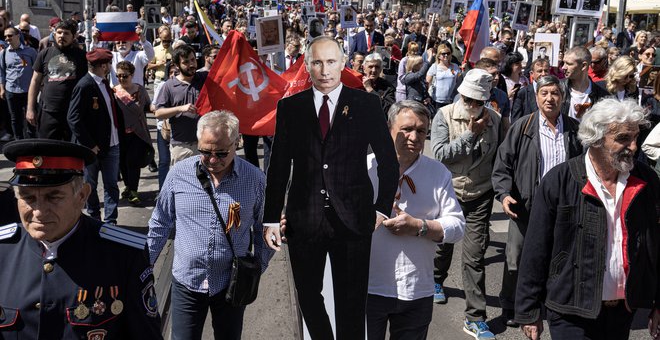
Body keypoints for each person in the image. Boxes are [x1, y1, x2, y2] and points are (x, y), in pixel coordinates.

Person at [263, 36, 399, 340]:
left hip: (353, 218)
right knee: (308, 296)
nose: (325, 70)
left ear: (343, 64)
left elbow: (389, 163)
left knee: (351, 303)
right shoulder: (290, 108)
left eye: (331, 62)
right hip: (304, 218)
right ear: (308, 66)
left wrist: (381, 207)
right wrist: (271, 217)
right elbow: (279, 166)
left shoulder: (366, 104)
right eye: (318, 62)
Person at [515, 98, 660, 340]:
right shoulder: (560, 181)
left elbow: (656, 245)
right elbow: (535, 248)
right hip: (570, 310)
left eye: (636, 137)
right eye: (623, 138)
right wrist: (528, 309)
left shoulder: (646, 181)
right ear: (596, 138)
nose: (634, 147)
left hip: (623, 311)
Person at [0, 139, 163, 339]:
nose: (39, 212)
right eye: (28, 198)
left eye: (54, 197)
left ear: (82, 195)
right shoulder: (3, 250)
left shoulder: (124, 254)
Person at [148, 110, 272, 340]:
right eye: (205, 152)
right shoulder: (178, 175)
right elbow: (160, 223)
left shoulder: (255, 179)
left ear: (238, 143)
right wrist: (144, 267)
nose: (213, 160)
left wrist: (257, 268)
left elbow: (265, 228)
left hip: (231, 285)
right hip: (187, 282)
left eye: (221, 153)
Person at [366, 100, 466, 340]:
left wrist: (420, 227)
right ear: (388, 129)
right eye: (407, 129)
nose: (414, 136)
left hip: (416, 288)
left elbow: (457, 226)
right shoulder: (363, 168)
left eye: (421, 131)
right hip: (367, 287)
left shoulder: (437, 172)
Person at [491, 75, 583, 329]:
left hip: (564, 207)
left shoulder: (575, 130)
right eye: (544, 93)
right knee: (517, 258)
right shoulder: (523, 127)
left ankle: (550, 304)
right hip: (526, 206)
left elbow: (585, 166)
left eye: (555, 93)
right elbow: (502, 166)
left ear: (563, 97)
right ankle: (511, 305)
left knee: (558, 256)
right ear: (536, 96)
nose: (550, 98)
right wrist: (504, 193)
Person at [431, 69, 503, 339]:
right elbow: (440, 154)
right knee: (443, 245)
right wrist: (470, 135)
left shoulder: (495, 120)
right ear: (460, 94)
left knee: (474, 257)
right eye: (468, 99)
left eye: (478, 101)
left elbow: (501, 158)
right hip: (448, 193)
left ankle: (475, 317)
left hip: (480, 195)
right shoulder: (445, 115)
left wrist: (501, 190)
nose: (472, 106)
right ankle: (437, 280)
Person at [68, 48, 123, 224]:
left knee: (111, 185)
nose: (109, 67)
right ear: (103, 65)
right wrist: (90, 144)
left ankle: (110, 221)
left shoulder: (104, 83)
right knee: (89, 186)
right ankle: (93, 218)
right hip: (91, 149)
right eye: (107, 64)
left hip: (111, 144)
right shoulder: (85, 85)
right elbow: (73, 118)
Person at [27, 19, 87, 140]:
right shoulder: (44, 53)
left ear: (74, 36)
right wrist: (30, 109)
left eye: (66, 33)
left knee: (71, 152)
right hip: (48, 111)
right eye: (59, 32)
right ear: (54, 34)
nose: (62, 36)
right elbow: (35, 81)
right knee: (47, 150)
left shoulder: (81, 56)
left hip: (73, 113)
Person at [154, 45, 208, 165]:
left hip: (205, 145)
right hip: (182, 147)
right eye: (186, 62)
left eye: (193, 60)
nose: (191, 64)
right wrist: (180, 108)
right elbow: (158, 113)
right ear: (177, 65)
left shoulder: (204, 78)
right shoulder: (169, 86)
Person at [114, 60, 153, 205]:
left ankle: (134, 191)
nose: (122, 79)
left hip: (138, 132)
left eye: (125, 76)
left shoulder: (140, 90)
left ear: (132, 75)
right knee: (123, 162)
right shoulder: (113, 92)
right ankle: (128, 187)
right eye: (119, 76)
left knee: (133, 162)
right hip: (120, 133)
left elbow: (148, 106)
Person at [0, 27, 38, 139]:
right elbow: (1, 72)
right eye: (5, 36)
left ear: (17, 35)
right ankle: (18, 140)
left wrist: (39, 87)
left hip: (28, 91)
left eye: (10, 35)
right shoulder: (3, 53)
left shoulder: (30, 51)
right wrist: (2, 89)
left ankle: (32, 139)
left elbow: (37, 71)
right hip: (11, 90)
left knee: (31, 116)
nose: (7, 38)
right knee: (15, 118)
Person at [560, 46, 609, 121]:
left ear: (583, 66)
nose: (563, 67)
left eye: (569, 64)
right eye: (563, 63)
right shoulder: (558, 88)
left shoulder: (601, 95)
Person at [511, 58, 550, 123]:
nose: (543, 74)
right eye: (540, 71)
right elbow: (516, 120)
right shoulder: (523, 93)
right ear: (532, 74)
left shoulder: (555, 91)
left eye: (546, 71)